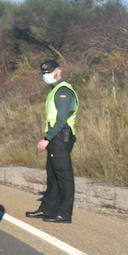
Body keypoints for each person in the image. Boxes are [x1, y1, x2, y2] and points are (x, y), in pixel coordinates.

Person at [26, 59, 79, 223]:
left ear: (58, 71)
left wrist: (47, 139)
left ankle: (64, 213)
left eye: (48, 72)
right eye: (43, 73)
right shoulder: (54, 90)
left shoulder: (63, 91)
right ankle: (47, 209)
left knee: (64, 177)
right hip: (56, 137)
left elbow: (62, 119)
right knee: (53, 176)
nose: (46, 76)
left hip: (60, 137)